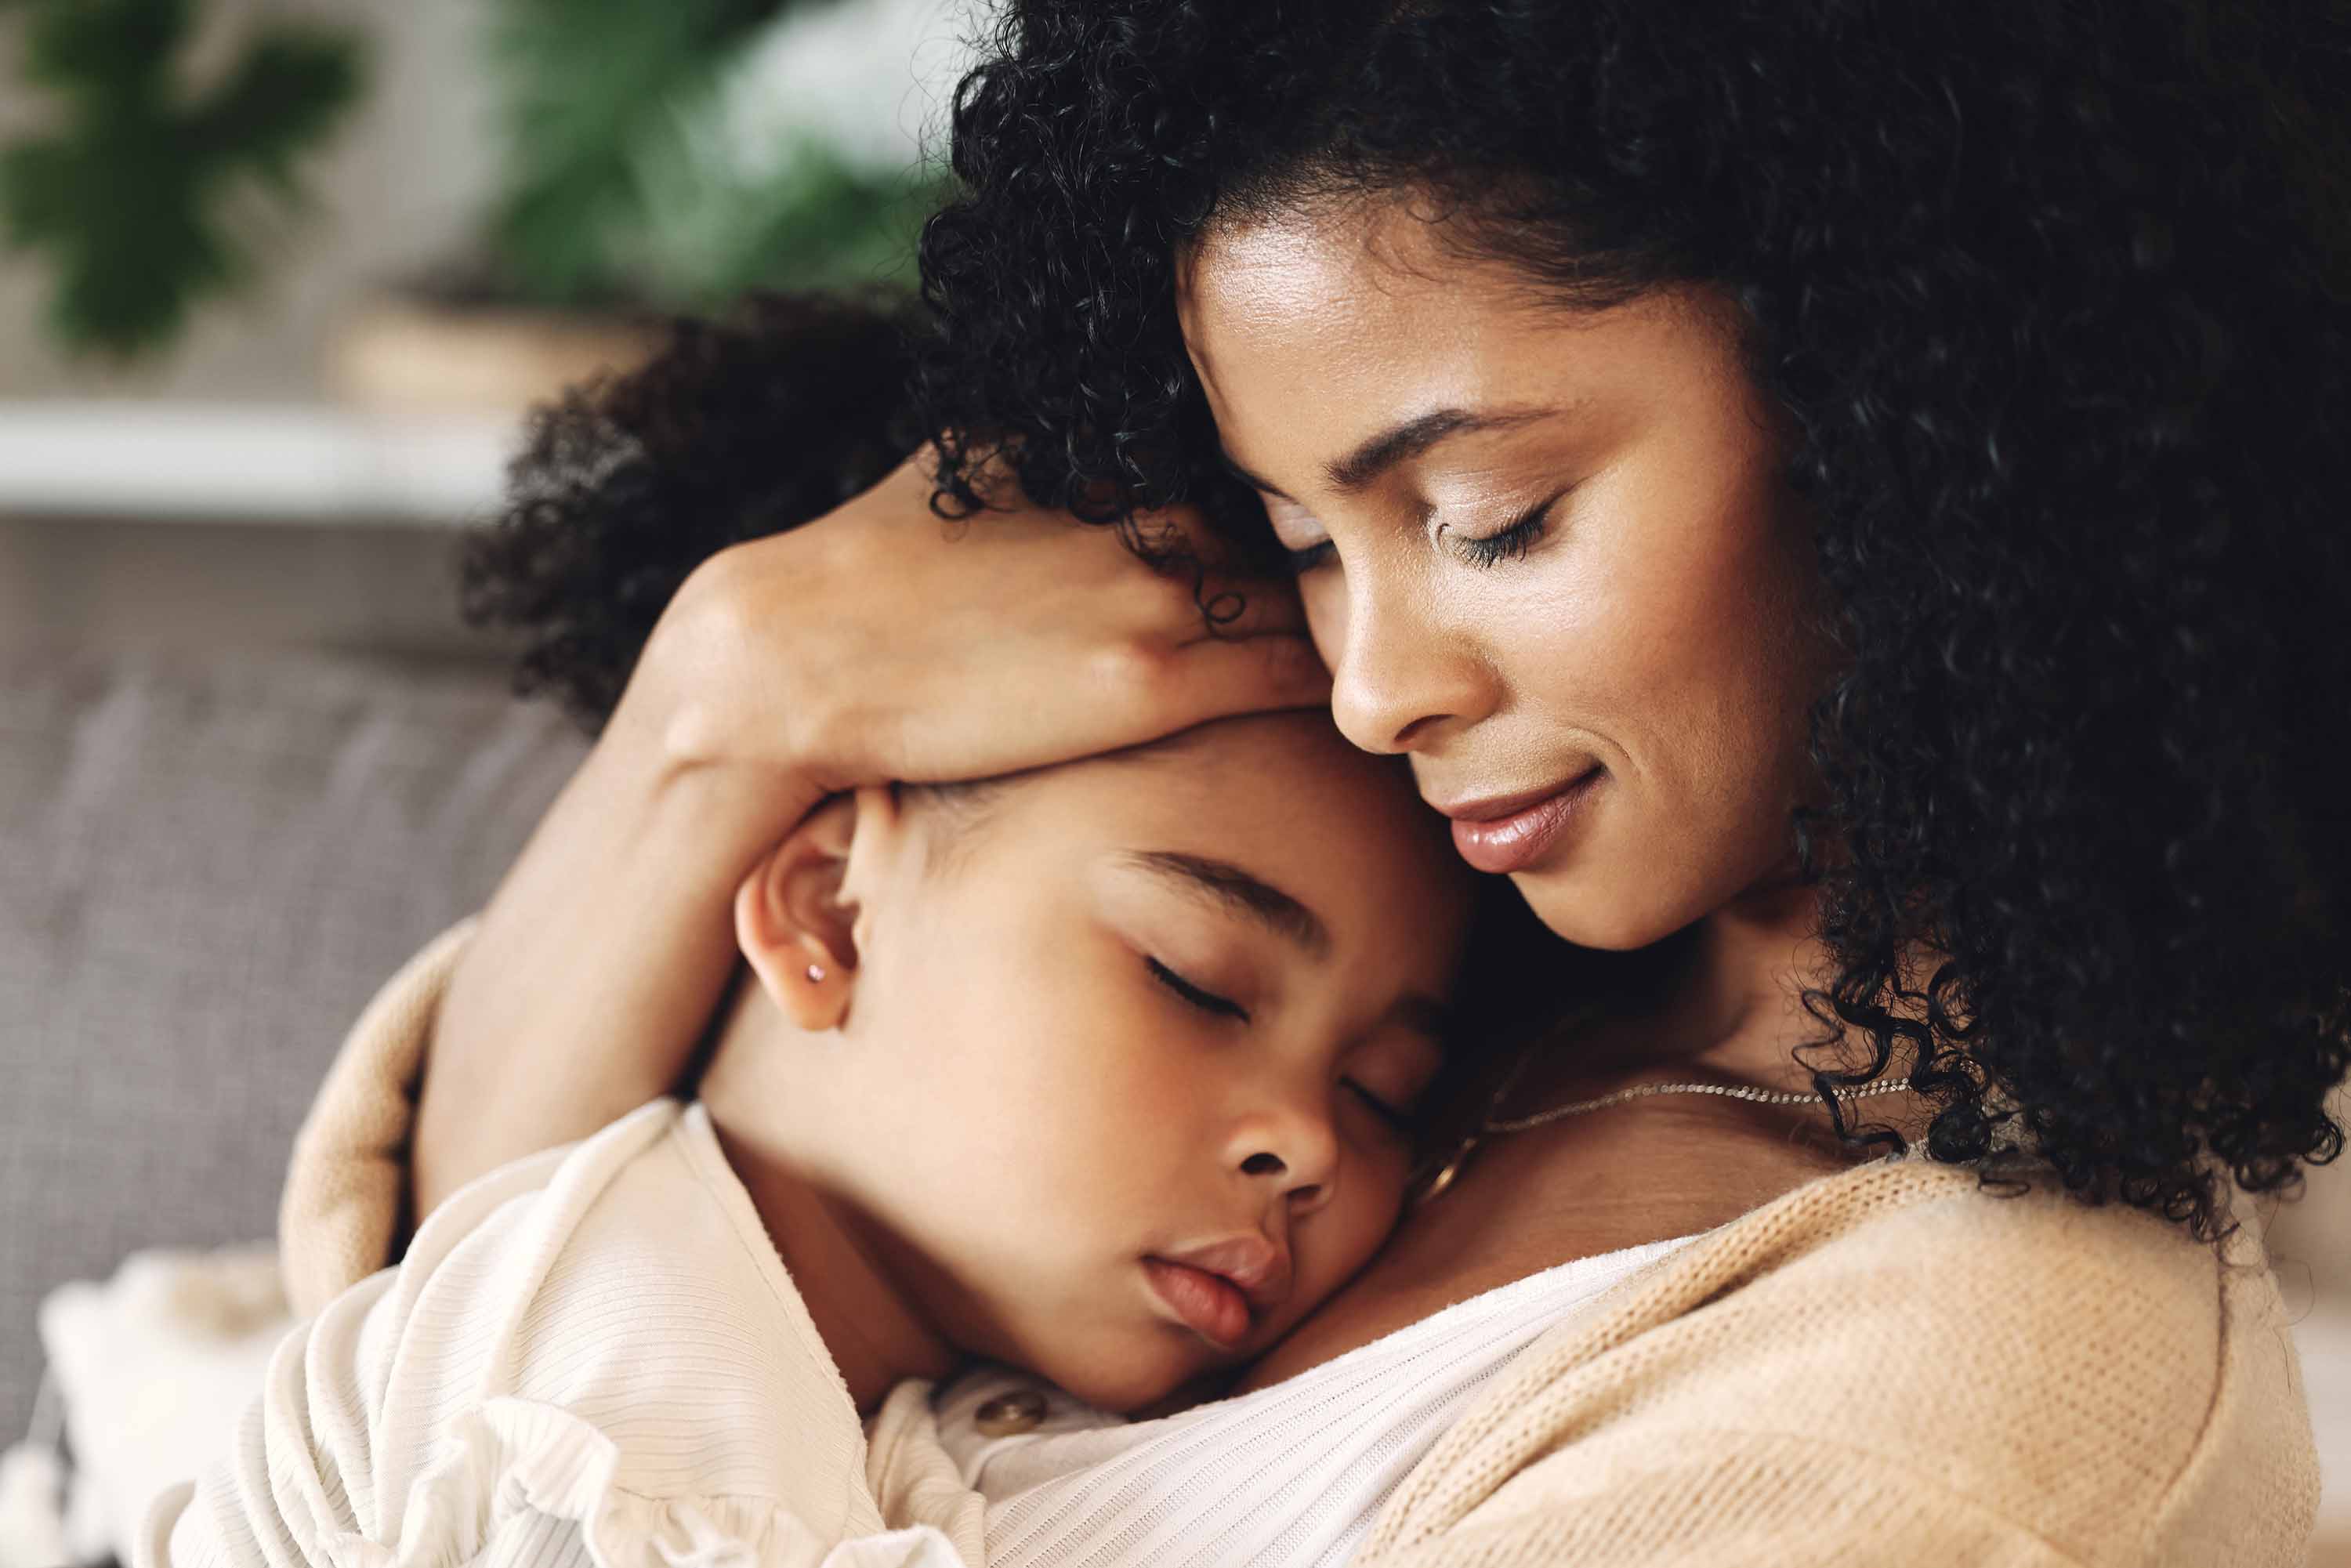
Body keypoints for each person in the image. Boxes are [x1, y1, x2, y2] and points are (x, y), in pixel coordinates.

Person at [275, 2, 2346, 1563]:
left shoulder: (1969, 1405)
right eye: (1306, 543)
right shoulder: (1437, 943)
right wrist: (729, 692)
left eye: (1492, 514)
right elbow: (475, 1356)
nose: (1372, 687)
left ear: (1910, 402)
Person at [144, 471, 1500, 1566]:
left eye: (1385, 1089)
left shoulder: (900, 1381)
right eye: (1198, 979)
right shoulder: (611, 1384)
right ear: (830, 913)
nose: (1311, 1143)